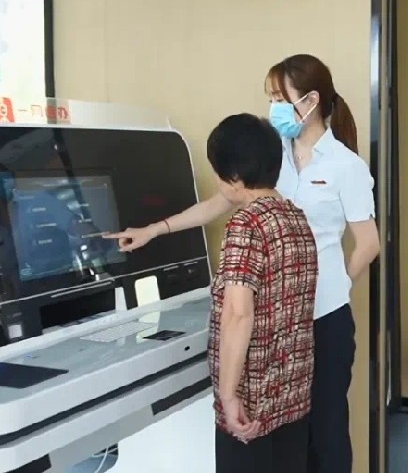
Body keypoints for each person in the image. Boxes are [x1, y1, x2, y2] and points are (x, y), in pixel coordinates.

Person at [107, 54, 379, 473]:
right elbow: (220, 201)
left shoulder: (346, 166)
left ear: (310, 100)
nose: (273, 108)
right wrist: (155, 229)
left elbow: (368, 245)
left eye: (280, 98)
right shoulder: (272, 154)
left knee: (325, 434)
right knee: (283, 431)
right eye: (270, 98)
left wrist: (330, 289)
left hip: (324, 318)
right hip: (275, 320)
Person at [204, 113, 317, 473]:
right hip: (292, 395)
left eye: (218, 172)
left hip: (252, 402)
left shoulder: (246, 224)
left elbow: (239, 314)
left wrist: (228, 394)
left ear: (235, 177)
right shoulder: (296, 218)